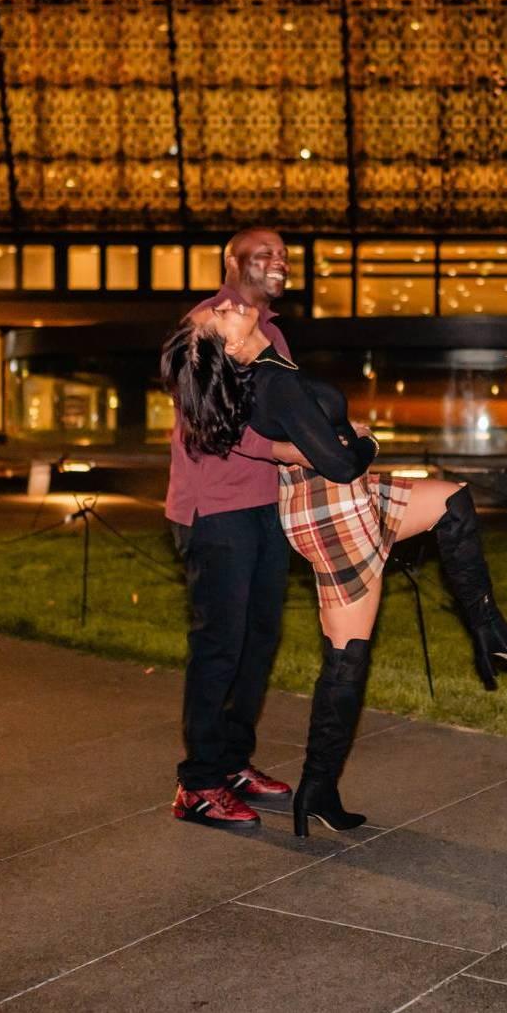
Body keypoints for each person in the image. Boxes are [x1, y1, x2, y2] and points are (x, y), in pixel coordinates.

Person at [160, 299, 507, 836]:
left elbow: (300, 439)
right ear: (229, 346)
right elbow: (340, 463)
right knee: (346, 655)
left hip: (350, 498)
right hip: (334, 515)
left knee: (453, 501)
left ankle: (490, 632)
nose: (224, 304)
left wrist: (330, 431)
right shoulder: (272, 382)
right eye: (219, 316)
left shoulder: (272, 363)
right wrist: (363, 440)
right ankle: (311, 789)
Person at [166, 227, 308, 830]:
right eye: (262, 254)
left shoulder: (271, 332)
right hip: (215, 509)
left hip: (263, 508)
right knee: (220, 645)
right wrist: (287, 451)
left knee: (259, 641)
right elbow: (210, 424)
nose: (277, 261)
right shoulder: (208, 322)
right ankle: (197, 784)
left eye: (281, 254)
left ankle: (232, 762)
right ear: (232, 263)